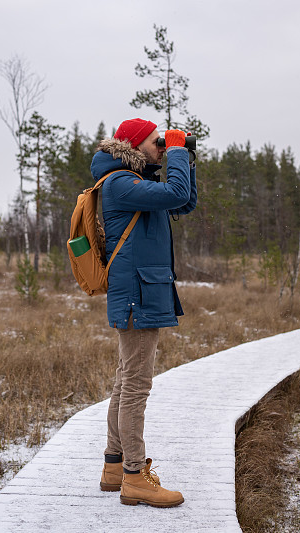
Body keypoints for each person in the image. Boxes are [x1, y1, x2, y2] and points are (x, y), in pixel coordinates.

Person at [91, 118, 197, 508]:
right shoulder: (121, 182)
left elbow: (184, 200)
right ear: (136, 145)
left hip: (141, 292)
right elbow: (175, 192)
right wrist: (180, 153)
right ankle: (135, 476)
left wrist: (187, 158)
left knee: (125, 381)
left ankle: (114, 467)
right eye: (158, 142)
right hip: (138, 295)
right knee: (136, 385)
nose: (163, 147)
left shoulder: (136, 182)